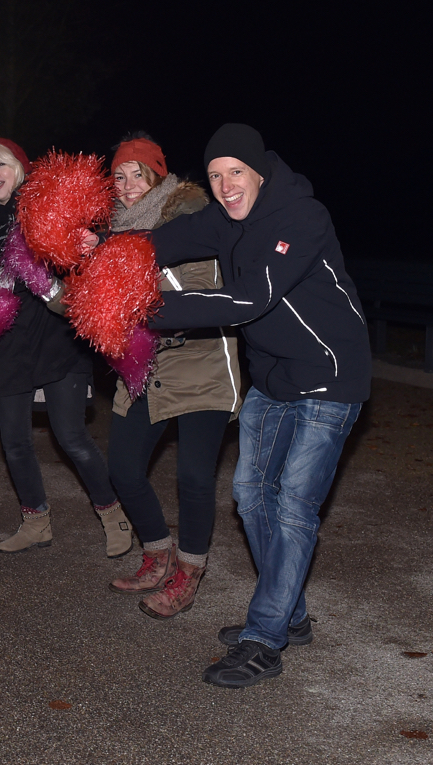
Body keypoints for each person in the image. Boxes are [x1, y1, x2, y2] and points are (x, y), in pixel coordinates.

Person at [144, 123, 369, 687]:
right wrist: (106, 251)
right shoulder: (224, 219)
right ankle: (289, 614)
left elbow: (251, 298)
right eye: (215, 176)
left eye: (234, 173)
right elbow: (160, 240)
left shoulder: (302, 217)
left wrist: (148, 309)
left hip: (330, 378)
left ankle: (263, 637)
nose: (224, 186)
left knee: (294, 506)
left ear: (259, 173)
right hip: (270, 380)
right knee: (249, 496)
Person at [0, 138, 132, 558]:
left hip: (57, 339)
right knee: (15, 442)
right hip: (7, 345)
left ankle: (114, 516)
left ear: (21, 169)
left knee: (72, 435)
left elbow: (89, 238)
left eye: (1, 164)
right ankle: (35, 521)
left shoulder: (44, 209)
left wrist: (89, 241)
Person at [101, 135, 241, 618]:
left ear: (159, 176)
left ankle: (188, 571)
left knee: (195, 477)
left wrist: (135, 296)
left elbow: (204, 293)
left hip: (200, 360)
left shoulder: (189, 219)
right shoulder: (112, 234)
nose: (127, 185)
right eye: (118, 176)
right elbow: (85, 305)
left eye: (138, 173)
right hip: (147, 365)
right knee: (122, 467)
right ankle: (158, 552)